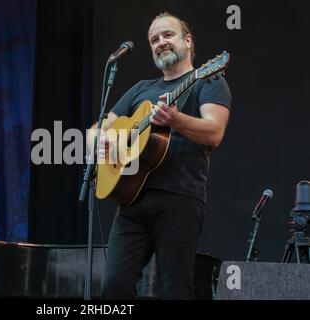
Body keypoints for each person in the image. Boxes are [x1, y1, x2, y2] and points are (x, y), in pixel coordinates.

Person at [88, 12, 231, 299]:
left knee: (174, 290)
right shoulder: (142, 89)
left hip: (180, 199)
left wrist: (176, 120)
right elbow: (97, 128)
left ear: (187, 40)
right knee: (113, 287)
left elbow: (214, 133)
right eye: (154, 39)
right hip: (131, 202)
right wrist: (101, 142)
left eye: (168, 35)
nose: (160, 42)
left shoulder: (208, 79)